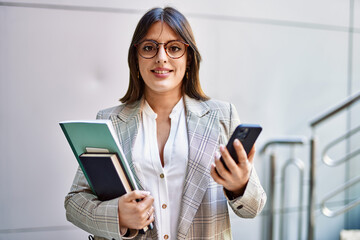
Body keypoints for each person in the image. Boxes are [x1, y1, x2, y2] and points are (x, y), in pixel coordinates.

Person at [65, 7, 266, 240]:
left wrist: (240, 185)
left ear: (188, 59)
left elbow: (254, 207)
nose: (161, 57)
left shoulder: (222, 115)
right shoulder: (109, 121)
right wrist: (117, 215)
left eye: (174, 48)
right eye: (149, 47)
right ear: (136, 57)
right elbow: (74, 202)